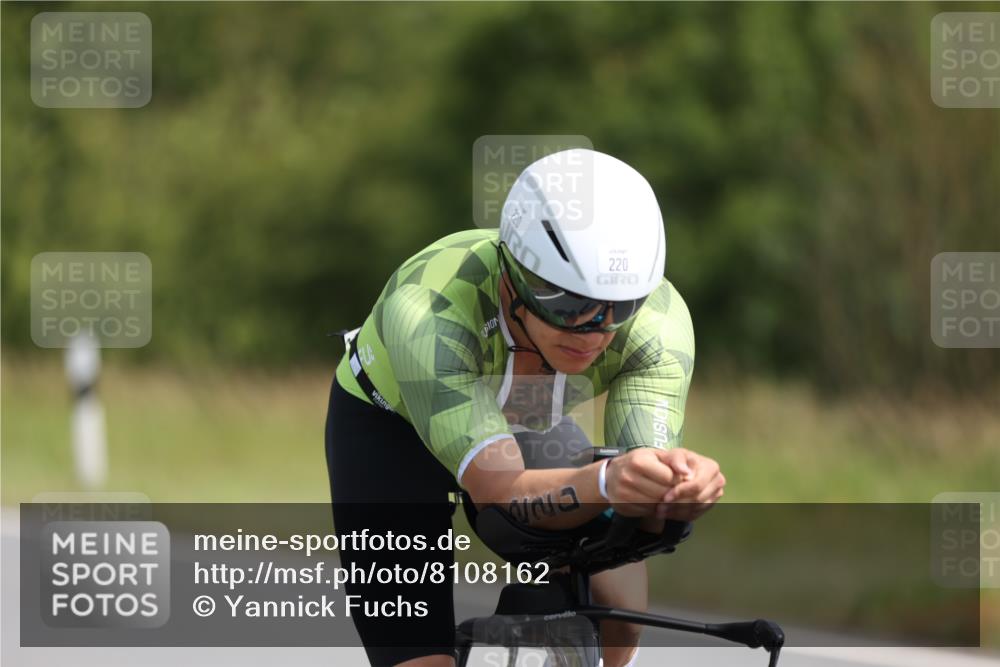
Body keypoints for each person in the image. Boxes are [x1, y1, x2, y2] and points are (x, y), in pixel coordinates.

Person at [325, 148, 726, 667]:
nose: (593, 330)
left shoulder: (659, 325)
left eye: (619, 306)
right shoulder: (429, 309)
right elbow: (497, 490)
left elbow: (638, 482)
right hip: (393, 427)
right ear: (512, 275)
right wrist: (605, 481)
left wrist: (678, 486)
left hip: (525, 413)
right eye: (567, 303)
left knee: (619, 610)